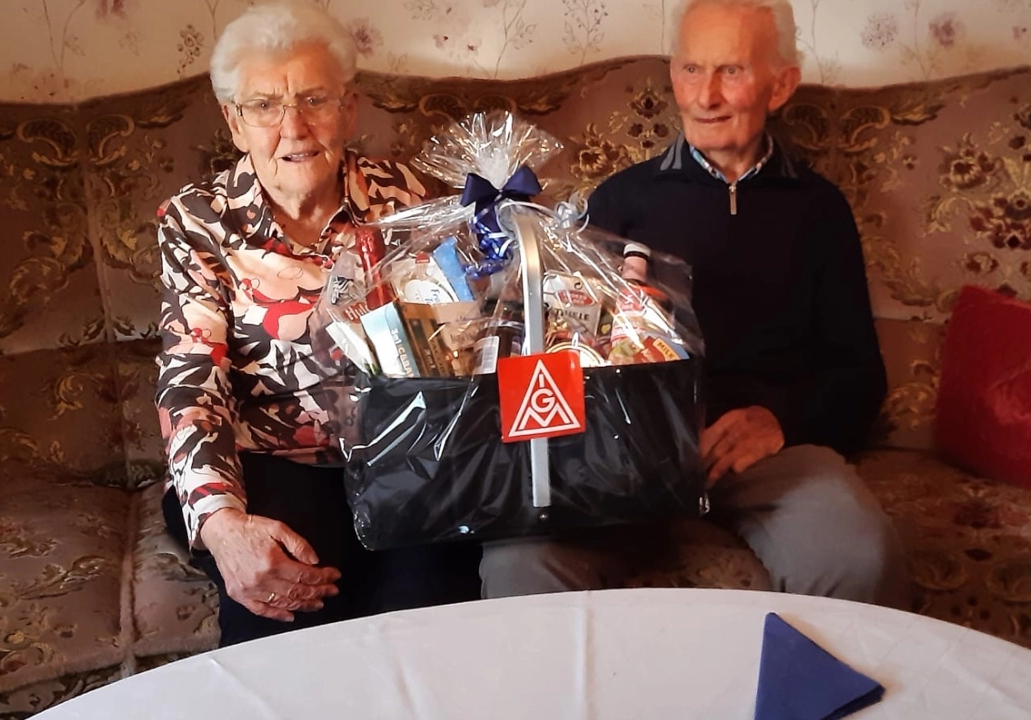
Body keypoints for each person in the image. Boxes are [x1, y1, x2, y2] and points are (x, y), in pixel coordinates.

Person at [480, 0, 910, 608]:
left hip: (763, 452)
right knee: (519, 557)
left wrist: (779, 417)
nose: (704, 95)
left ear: (780, 84)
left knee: (858, 556)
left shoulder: (819, 210)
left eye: (730, 71)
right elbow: (562, 349)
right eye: (690, 69)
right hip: (625, 450)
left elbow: (861, 375)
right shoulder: (622, 199)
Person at [155, 1, 480, 646]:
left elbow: (454, 343)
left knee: (430, 618)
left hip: (401, 455)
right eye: (264, 106)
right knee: (285, 603)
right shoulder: (199, 222)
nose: (293, 126)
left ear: (349, 108)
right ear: (233, 120)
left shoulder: (406, 199)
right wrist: (221, 525)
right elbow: (191, 380)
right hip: (268, 462)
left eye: (314, 99)